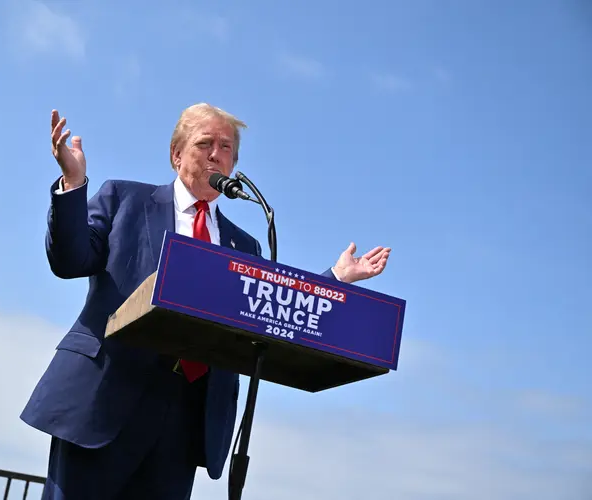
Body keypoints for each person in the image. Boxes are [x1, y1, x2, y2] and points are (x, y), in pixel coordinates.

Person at [20, 103, 391, 500]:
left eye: (227, 147)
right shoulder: (124, 199)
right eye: (205, 143)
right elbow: (69, 259)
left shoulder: (244, 245)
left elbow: (269, 305)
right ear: (177, 155)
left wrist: (336, 280)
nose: (217, 153)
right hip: (105, 398)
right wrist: (74, 183)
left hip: (186, 419)